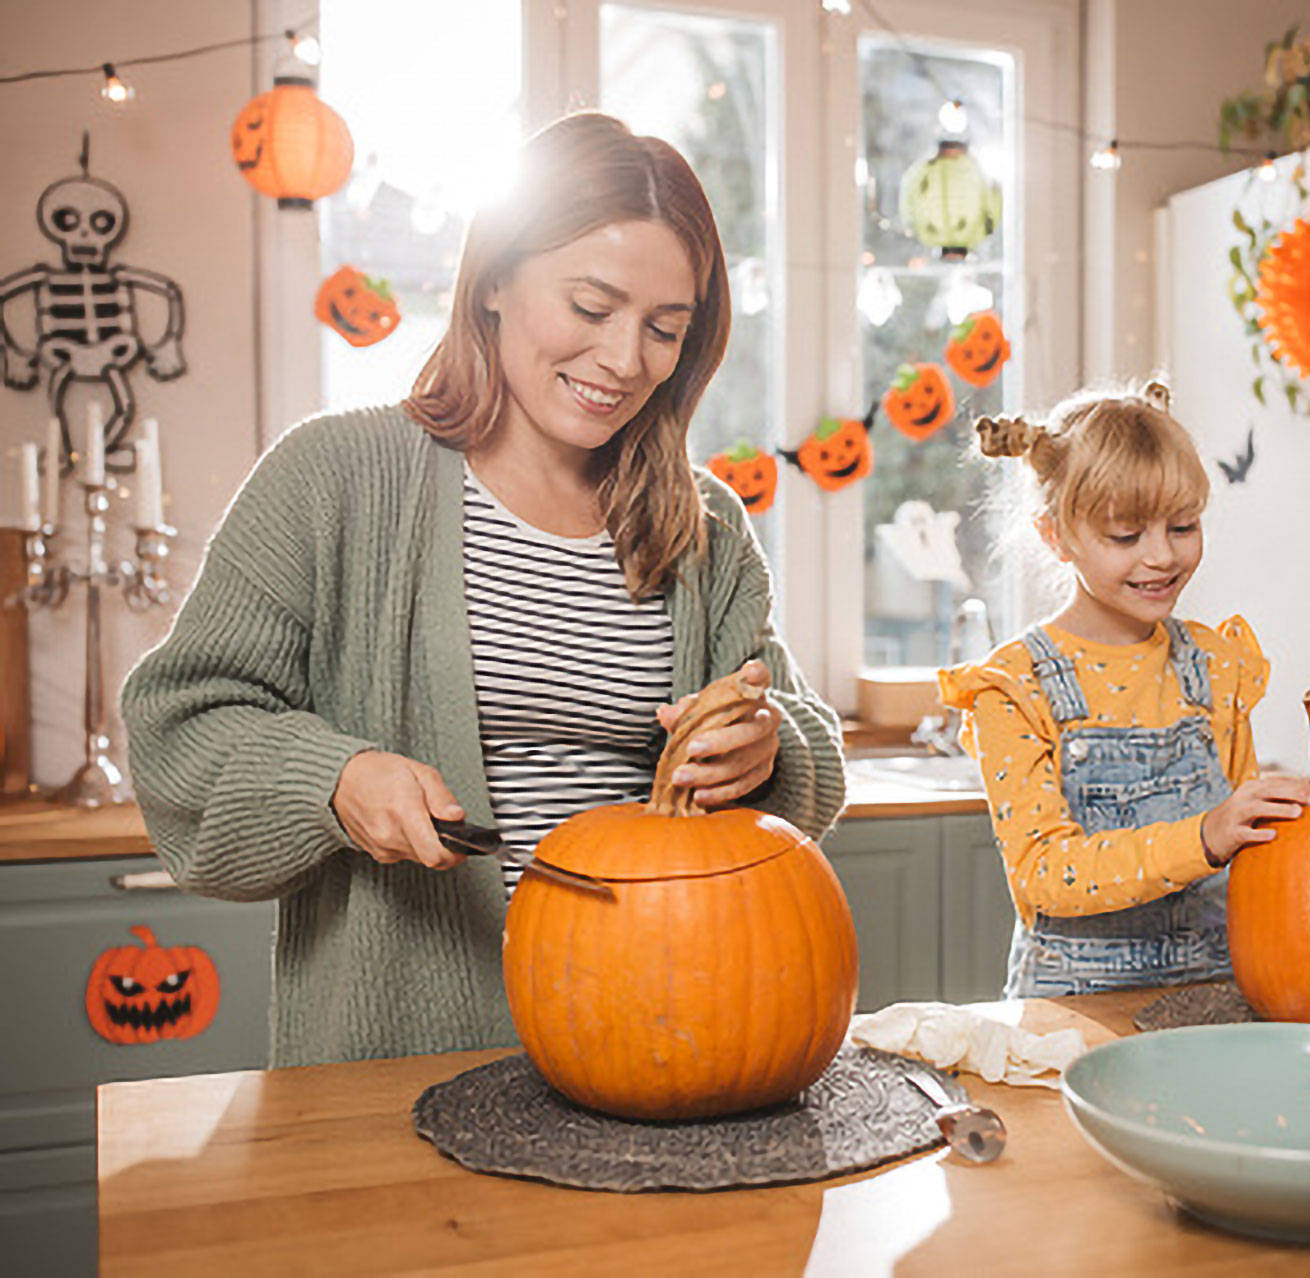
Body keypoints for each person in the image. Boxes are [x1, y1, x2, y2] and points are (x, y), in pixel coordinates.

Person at [120, 113, 845, 1067]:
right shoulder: (334, 477)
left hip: (661, 1044)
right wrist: (334, 781)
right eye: (592, 308)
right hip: (405, 1056)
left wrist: (768, 748)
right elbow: (179, 731)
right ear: (495, 280)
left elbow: (809, 761)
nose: (625, 360)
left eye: (664, 329)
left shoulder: (700, 524)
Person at [936, 380, 1310, 998]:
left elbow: (1249, 849)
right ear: (1056, 535)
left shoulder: (1216, 665)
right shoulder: (1014, 686)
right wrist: (1203, 837)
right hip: (1075, 1012)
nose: (1162, 556)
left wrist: (1298, 826)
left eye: (1184, 526)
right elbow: (1045, 873)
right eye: (1126, 536)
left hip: (1217, 995)